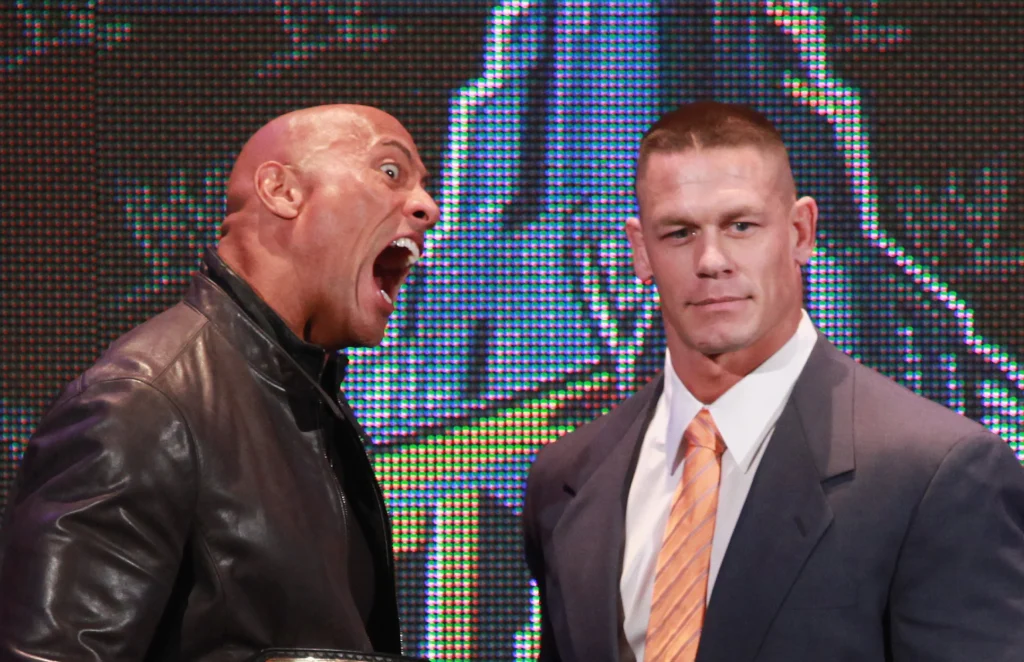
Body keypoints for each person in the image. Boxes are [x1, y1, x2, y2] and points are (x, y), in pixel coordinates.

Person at [522, 101, 1024, 662]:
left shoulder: (938, 474)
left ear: (800, 231)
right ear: (641, 251)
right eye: (680, 232)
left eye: (741, 226)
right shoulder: (567, 477)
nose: (711, 260)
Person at [0, 104, 439, 661]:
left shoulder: (310, 403)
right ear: (282, 191)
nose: (428, 207)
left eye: (424, 185)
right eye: (390, 172)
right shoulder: (142, 404)